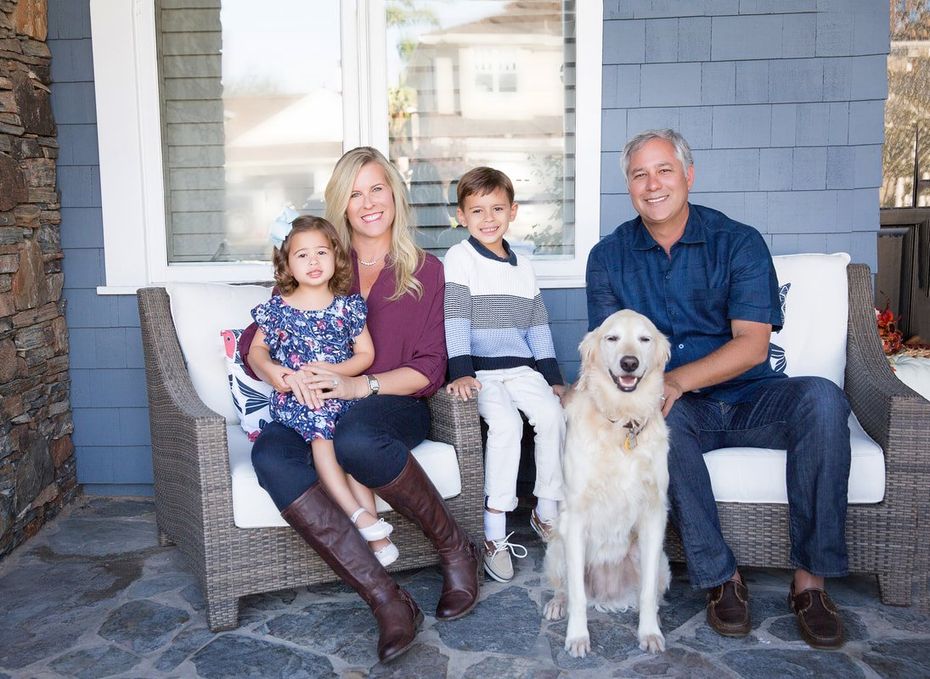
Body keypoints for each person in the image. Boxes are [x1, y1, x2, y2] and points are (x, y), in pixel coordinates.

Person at [586, 129, 850, 650]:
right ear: (629, 186)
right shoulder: (608, 256)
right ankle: (721, 579)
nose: (652, 183)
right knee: (661, 420)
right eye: (639, 174)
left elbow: (752, 346)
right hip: (674, 409)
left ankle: (811, 584)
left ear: (689, 174)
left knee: (822, 397)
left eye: (664, 170)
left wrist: (679, 380)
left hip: (751, 396)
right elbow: (609, 354)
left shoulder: (738, 241)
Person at [246, 147, 481, 664]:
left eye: (377, 188)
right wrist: (279, 374)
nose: (368, 202)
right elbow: (254, 341)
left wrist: (360, 387)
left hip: (390, 403)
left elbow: (429, 367)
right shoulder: (319, 255)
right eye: (354, 193)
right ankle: (387, 599)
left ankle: (454, 548)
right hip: (307, 404)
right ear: (342, 205)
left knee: (354, 436)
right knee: (269, 455)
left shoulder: (425, 270)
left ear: (394, 195)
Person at [248, 216, 398, 567]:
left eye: (321, 253)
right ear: (286, 263)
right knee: (322, 423)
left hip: (340, 393)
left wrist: (331, 374)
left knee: (352, 440)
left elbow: (366, 355)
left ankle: (375, 532)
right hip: (300, 398)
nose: (313, 262)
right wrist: (277, 373)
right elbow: (257, 352)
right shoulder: (278, 309)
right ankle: (358, 515)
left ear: (336, 257)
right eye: (302, 255)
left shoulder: (347, 307)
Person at [443, 166, 565, 583]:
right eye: (477, 210)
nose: (488, 218)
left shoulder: (524, 267)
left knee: (553, 416)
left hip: (522, 368)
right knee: (507, 425)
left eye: (497, 208)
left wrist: (553, 380)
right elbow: (455, 316)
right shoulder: (460, 258)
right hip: (481, 373)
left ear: (512, 211)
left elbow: (537, 328)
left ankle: (546, 511)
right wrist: (459, 370)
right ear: (462, 216)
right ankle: (494, 529)